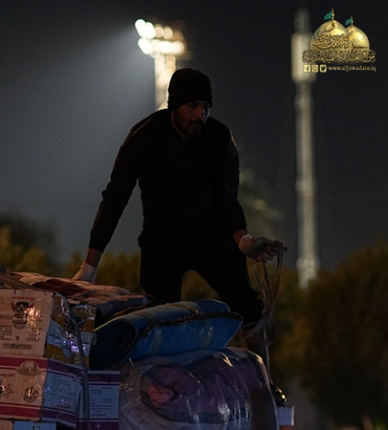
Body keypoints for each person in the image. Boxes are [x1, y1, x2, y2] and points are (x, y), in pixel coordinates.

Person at [73, 68, 285, 403]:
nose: (200, 114)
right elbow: (115, 198)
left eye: (206, 106)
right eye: (192, 106)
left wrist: (245, 242)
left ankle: (265, 387)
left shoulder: (220, 138)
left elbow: (227, 200)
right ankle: (160, 392)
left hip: (212, 236)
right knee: (160, 316)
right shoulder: (145, 136)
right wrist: (89, 268)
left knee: (249, 307)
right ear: (174, 106)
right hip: (162, 239)